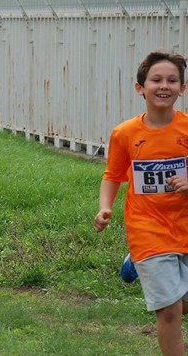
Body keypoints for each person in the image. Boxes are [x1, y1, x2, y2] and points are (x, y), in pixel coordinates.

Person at [94, 51, 188, 355]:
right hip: (147, 228)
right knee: (169, 311)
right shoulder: (125, 133)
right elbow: (112, 175)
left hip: (185, 225)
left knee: (177, 302)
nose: (164, 86)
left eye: (172, 80)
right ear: (140, 88)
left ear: (182, 89)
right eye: (156, 79)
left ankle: (136, 265)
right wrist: (104, 207)